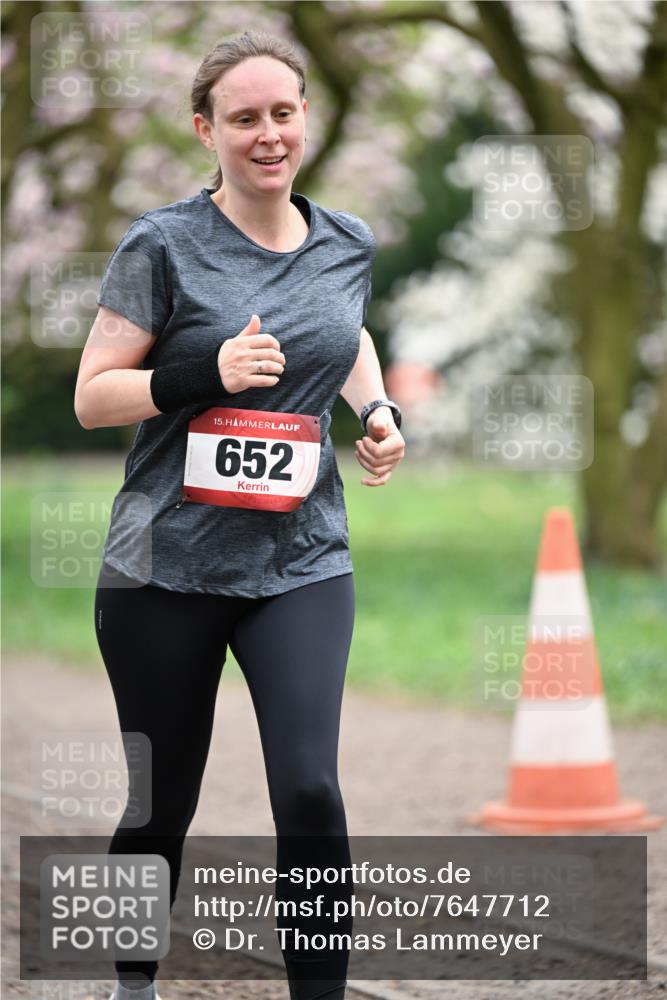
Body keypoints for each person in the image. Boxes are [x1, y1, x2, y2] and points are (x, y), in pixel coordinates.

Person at [74, 30, 405, 1000]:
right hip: (161, 568)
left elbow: (343, 335)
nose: (268, 134)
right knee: (157, 806)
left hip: (300, 559)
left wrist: (377, 411)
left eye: (283, 113)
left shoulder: (347, 239)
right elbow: (95, 395)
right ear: (205, 130)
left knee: (308, 786)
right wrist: (201, 374)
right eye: (245, 118)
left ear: (306, 117)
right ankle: (132, 979)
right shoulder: (162, 244)